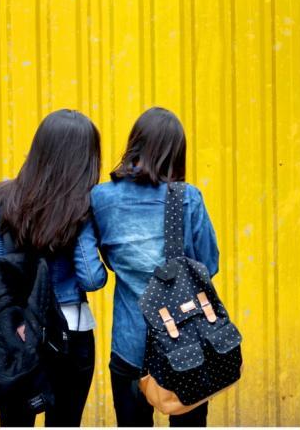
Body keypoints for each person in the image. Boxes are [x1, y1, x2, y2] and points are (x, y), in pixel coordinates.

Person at [0, 109, 108, 427]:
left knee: (14, 420)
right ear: (85, 159)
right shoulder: (81, 206)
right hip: (68, 334)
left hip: (12, 333)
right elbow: (92, 279)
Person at [82, 107, 219, 427]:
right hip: (186, 343)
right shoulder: (188, 198)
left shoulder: (101, 198)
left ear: (135, 145)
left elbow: (93, 260)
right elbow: (209, 265)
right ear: (176, 153)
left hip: (130, 345)